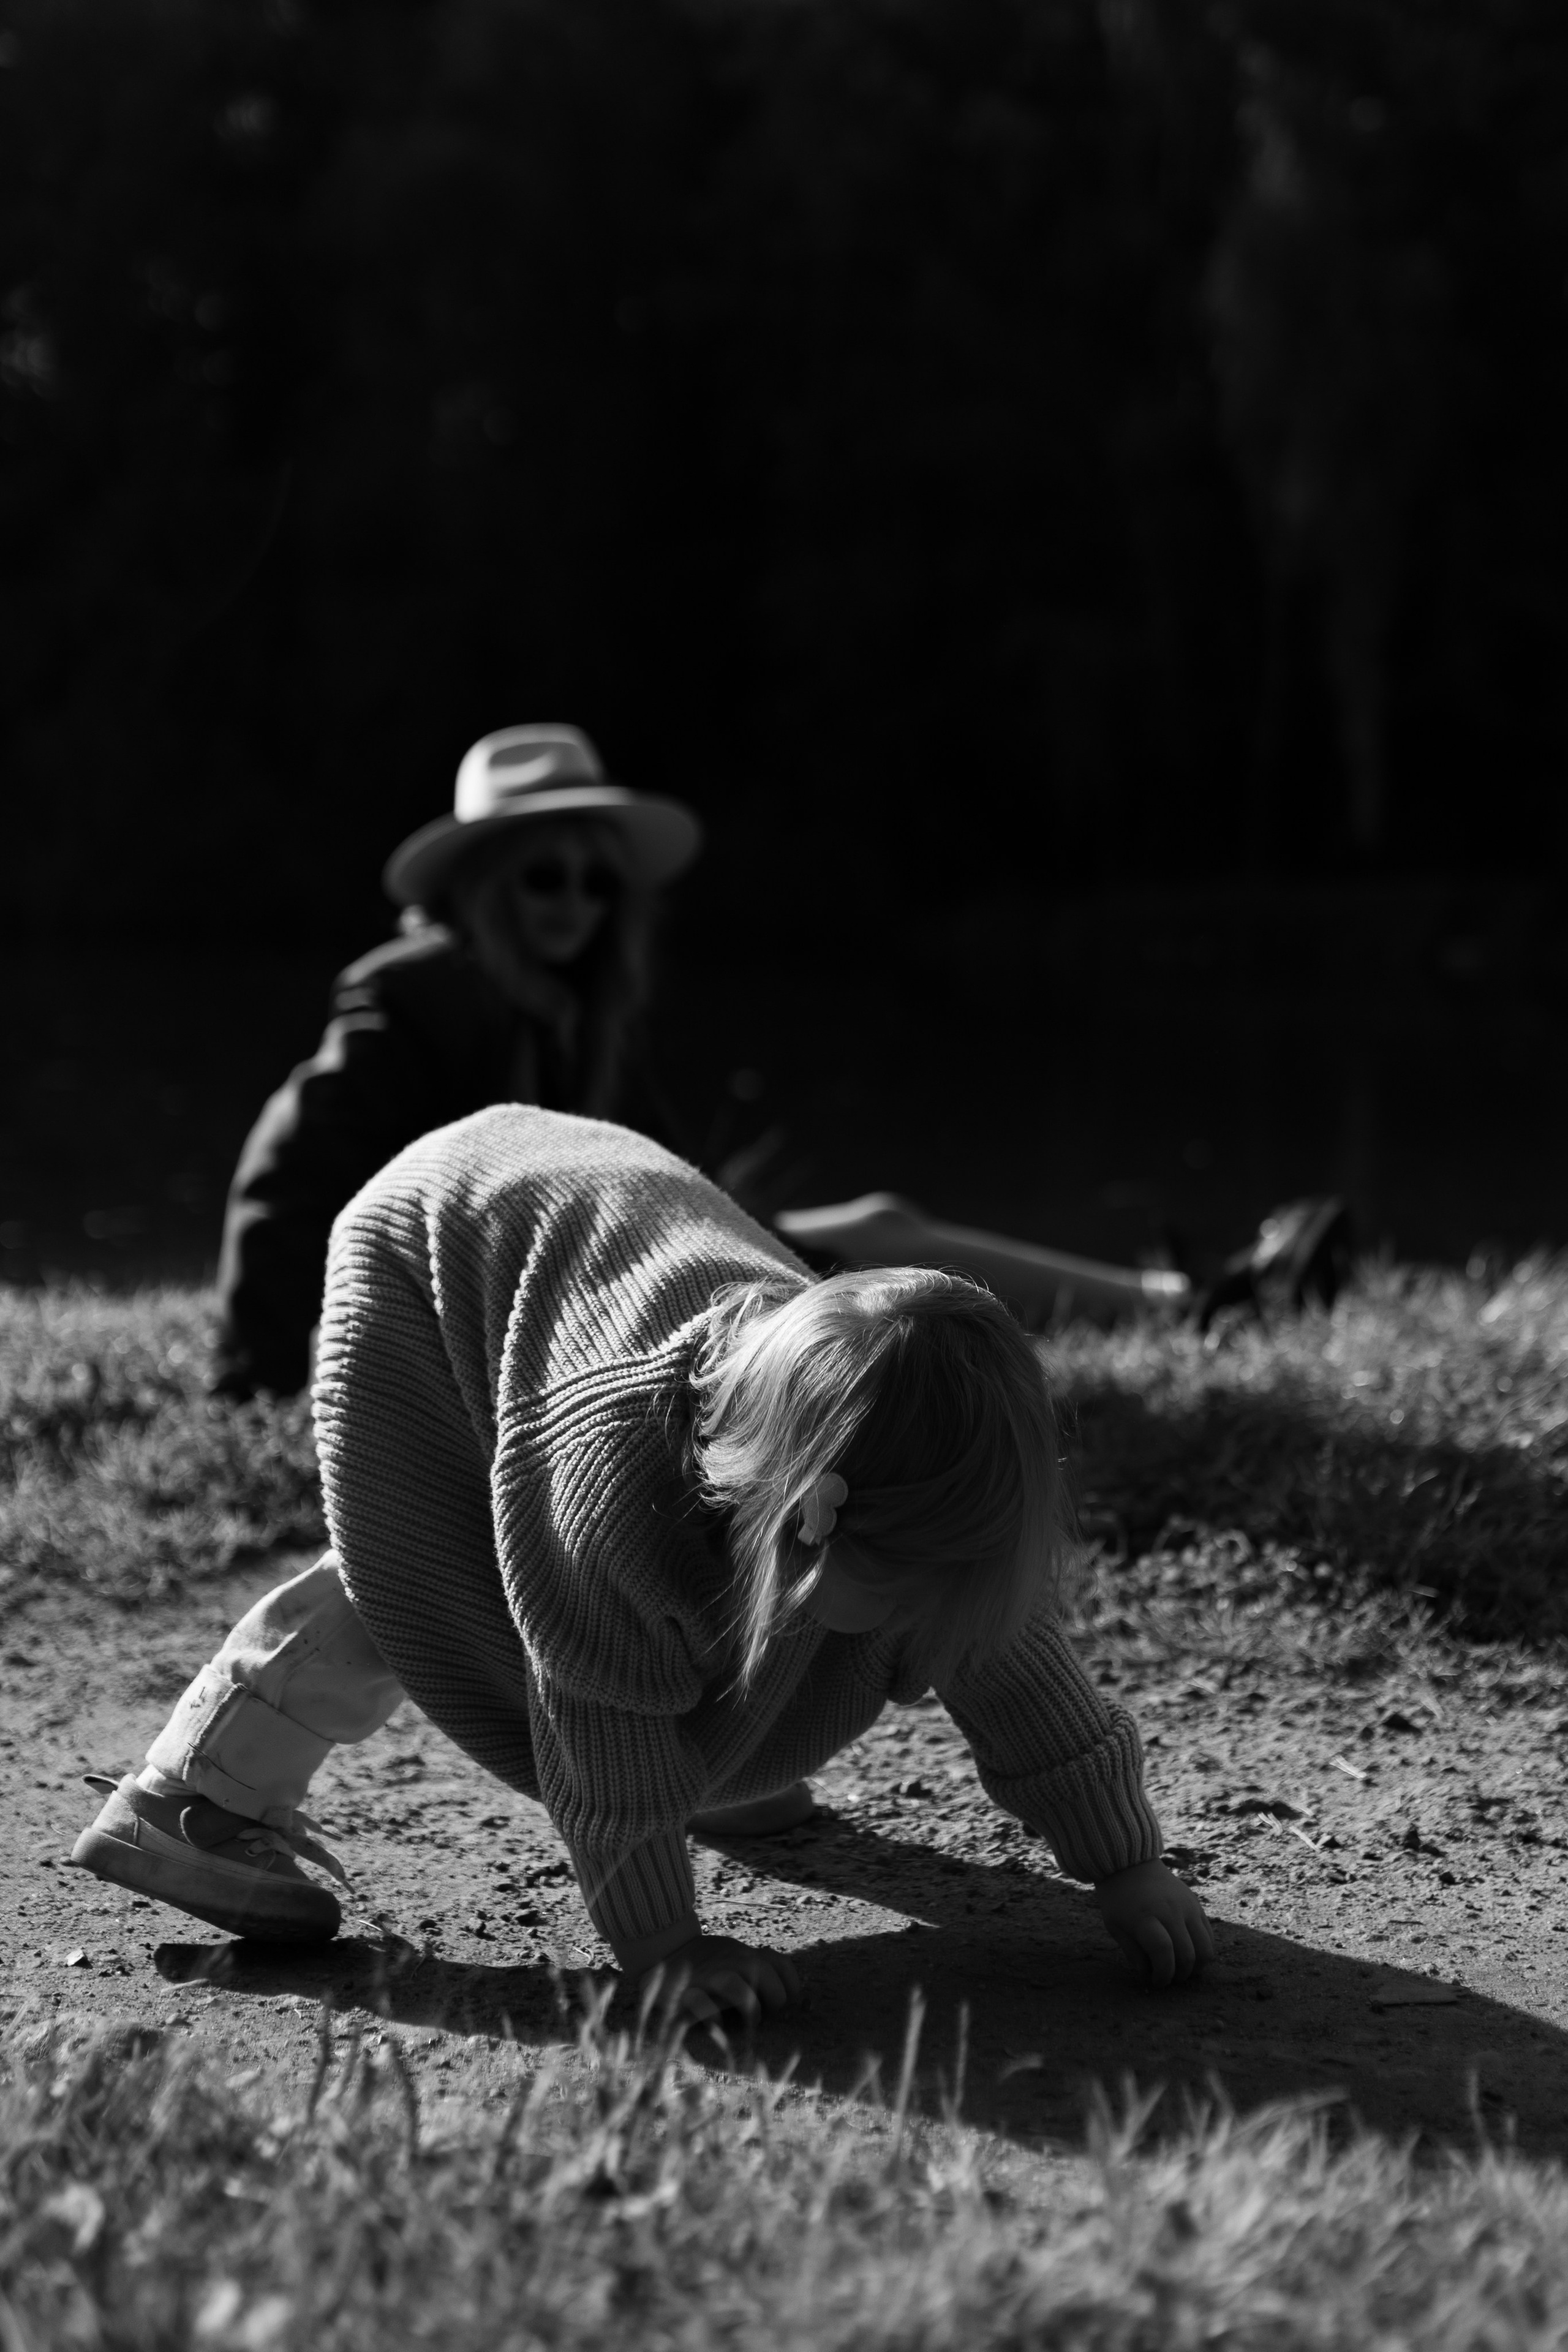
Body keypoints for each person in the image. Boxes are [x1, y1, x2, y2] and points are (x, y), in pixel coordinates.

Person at [73, 1106, 1213, 2021]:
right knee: (430, 1579)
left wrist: (1126, 1863)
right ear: (814, 1514)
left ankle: (721, 1777)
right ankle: (194, 1796)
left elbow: (1010, 1660)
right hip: (432, 1252)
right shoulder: (603, 1479)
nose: (931, 1637)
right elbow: (600, 1722)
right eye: (911, 1600)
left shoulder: (898, 1485)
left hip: (600, 1212)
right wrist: (664, 1946)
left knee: (746, 1598)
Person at [211, 723, 701, 1400]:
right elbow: (285, 1182)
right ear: (484, 884)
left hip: (541, 1324)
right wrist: (261, 1382)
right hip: (432, 1342)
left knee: (880, 1231)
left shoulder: (580, 1014)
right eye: (544, 876)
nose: (575, 903)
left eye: (599, 883)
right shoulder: (415, 994)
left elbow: (672, 1182)